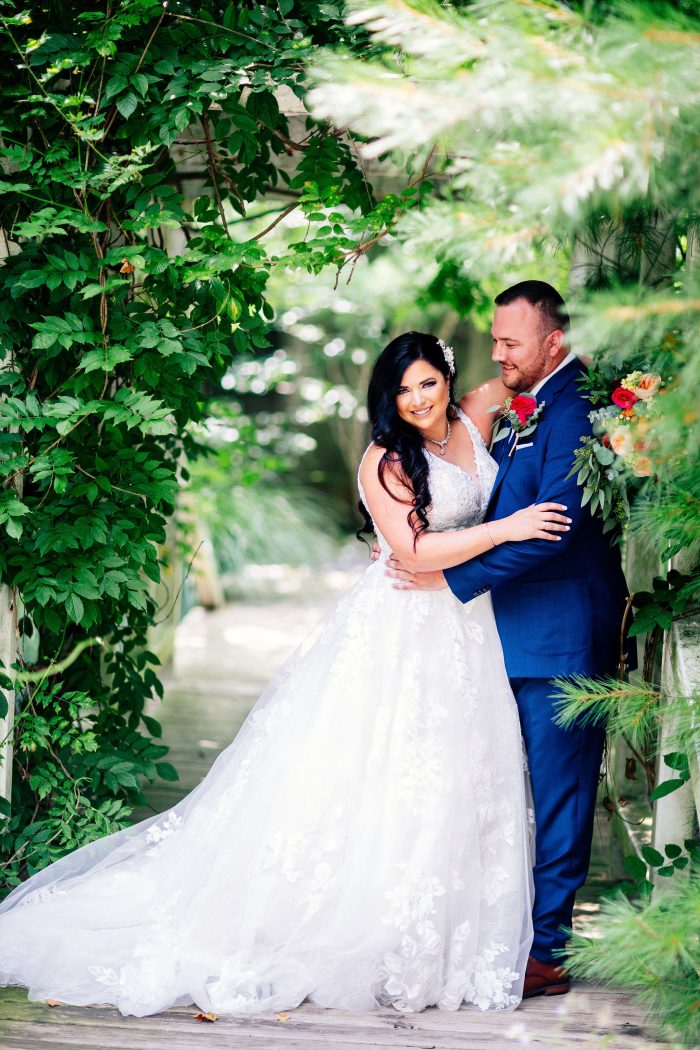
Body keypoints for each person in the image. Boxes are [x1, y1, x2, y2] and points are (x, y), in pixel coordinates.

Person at [0, 331, 570, 1019]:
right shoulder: (385, 459)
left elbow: (543, 376)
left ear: (448, 378)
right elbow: (415, 552)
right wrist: (508, 529)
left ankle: (446, 935)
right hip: (405, 623)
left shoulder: (475, 413)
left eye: (428, 382)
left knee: (460, 773)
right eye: (403, 389)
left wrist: (622, 398)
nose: (418, 399)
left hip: (470, 624)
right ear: (387, 397)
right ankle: (374, 932)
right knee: (389, 771)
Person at [384, 283, 636, 999]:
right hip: (501, 636)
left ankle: (547, 950)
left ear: (555, 342)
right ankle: (501, 932)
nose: (497, 353)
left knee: (559, 796)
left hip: (560, 637)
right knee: (498, 794)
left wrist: (450, 578)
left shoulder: (576, 406)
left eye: (511, 342)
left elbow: (555, 525)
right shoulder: (530, 400)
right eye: (494, 339)